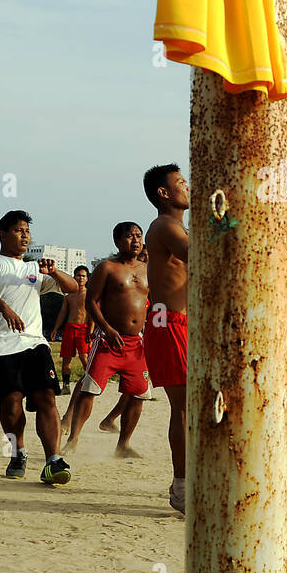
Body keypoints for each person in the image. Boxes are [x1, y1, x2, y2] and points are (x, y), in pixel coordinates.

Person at [0, 210, 81, 485]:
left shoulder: (35, 269)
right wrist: (5, 309)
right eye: (19, 230)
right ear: (3, 234)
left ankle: (53, 460)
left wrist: (54, 271)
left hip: (34, 343)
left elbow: (72, 289)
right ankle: (18, 451)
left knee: (47, 397)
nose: (25, 236)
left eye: (27, 231)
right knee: (10, 402)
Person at [65, 223, 150, 457]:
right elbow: (91, 301)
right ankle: (73, 439)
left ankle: (123, 445)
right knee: (90, 389)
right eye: (129, 236)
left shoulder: (148, 270)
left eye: (138, 236)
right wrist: (107, 329)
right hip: (108, 341)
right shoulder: (107, 268)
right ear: (117, 242)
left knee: (139, 394)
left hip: (136, 344)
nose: (135, 240)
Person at [142, 164, 189, 514]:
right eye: (181, 182)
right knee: (186, 407)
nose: (187, 186)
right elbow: (199, 254)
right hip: (168, 323)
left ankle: (192, 479)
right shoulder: (165, 225)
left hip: (184, 323)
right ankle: (182, 486)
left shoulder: (178, 227)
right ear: (164, 193)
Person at [50, 265, 91, 395]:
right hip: (69, 328)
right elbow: (63, 312)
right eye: (78, 275)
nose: (80, 278)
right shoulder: (69, 295)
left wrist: (91, 330)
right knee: (66, 359)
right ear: (74, 277)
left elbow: (93, 314)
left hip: (84, 329)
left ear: (87, 278)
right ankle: (66, 386)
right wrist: (56, 328)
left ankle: (89, 383)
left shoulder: (90, 294)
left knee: (84, 357)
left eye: (83, 276)